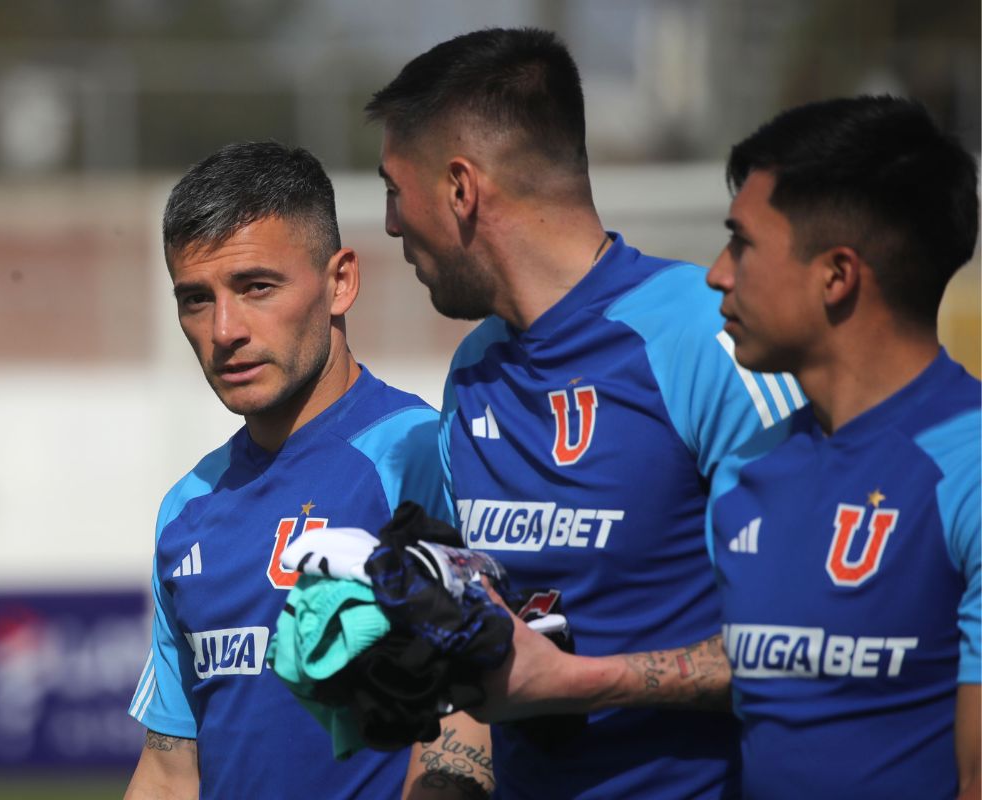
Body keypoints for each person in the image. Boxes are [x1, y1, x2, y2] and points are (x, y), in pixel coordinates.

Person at [366, 27, 804, 799]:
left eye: (396, 191)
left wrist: (581, 681)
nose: (393, 224)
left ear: (461, 189)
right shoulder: (474, 373)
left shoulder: (707, 341)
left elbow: (826, 641)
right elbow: (498, 657)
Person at [123, 141, 449, 799]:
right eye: (195, 299)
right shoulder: (187, 508)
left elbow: (471, 722)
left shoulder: (420, 457)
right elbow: (169, 769)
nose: (224, 329)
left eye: (256, 287)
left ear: (340, 283)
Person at [704, 96, 980, 799]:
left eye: (742, 243)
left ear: (837, 275)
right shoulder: (743, 474)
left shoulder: (970, 468)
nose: (717, 273)